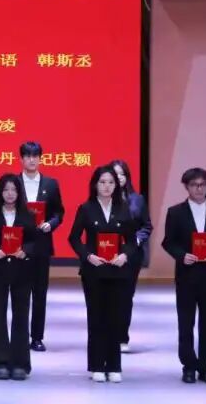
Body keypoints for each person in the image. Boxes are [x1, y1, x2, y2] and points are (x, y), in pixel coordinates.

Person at [68, 164, 137, 383]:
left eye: (111, 182)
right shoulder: (86, 208)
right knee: (96, 317)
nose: (107, 186)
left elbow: (132, 241)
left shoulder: (123, 209)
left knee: (115, 318)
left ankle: (114, 365)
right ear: (95, 185)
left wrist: (125, 255)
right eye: (102, 182)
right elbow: (74, 238)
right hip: (94, 271)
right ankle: (97, 365)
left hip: (117, 271)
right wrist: (88, 256)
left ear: (116, 186)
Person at [161, 167, 206, 385]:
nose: (198, 189)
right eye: (194, 185)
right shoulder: (176, 212)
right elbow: (168, 242)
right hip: (187, 274)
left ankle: (205, 366)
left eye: (202, 185)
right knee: (186, 321)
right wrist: (182, 255)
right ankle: (188, 365)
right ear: (186, 187)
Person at [0, 173, 36, 380]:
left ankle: (20, 363)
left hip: (22, 272)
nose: (10, 194)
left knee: (21, 316)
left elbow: (34, 241)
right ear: (0, 193)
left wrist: (26, 250)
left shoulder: (28, 216)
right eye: (6, 190)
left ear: (19, 192)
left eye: (14, 190)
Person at [18, 141, 64, 352]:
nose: (31, 160)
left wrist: (51, 224)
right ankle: (19, 335)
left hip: (41, 246)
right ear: (21, 159)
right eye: (27, 156)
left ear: (40, 158)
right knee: (19, 293)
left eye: (35, 156)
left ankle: (36, 337)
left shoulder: (50, 184)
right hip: (17, 246)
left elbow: (59, 213)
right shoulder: (14, 183)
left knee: (39, 293)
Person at [110, 160, 152, 352]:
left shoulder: (137, 199)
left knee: (126, 297)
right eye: (115, 174)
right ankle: (107, 337)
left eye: (122, 174)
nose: (119, 178)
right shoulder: (102, 199)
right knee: (109, 296)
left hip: (131, 255)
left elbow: (146, 226)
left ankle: (121, 338)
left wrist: (136, 240)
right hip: (108, 254)